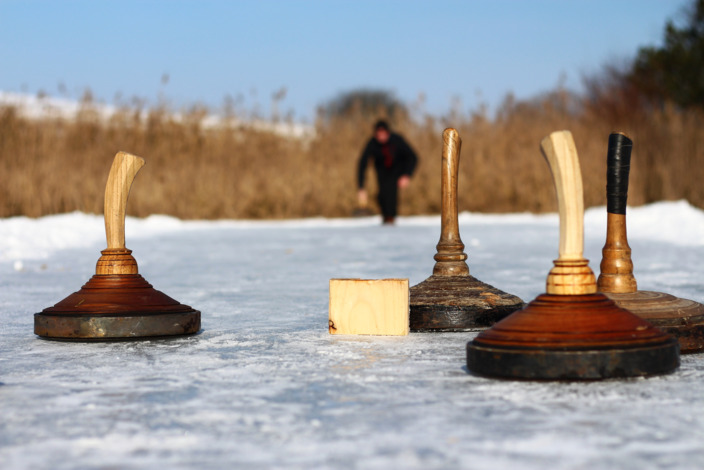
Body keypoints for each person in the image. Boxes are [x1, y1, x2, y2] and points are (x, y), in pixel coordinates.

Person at [357, 120, 418, 224]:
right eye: (378, 134)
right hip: (381, 173)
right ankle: (386, 219)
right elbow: (362, 164)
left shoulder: (397, 140)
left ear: (388, 133)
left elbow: (412, 157)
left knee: (391, 195)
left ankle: (390, 219)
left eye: (383, 134)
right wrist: (361, 187)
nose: (381, 137)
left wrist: (407, 175)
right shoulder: (372, 143)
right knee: (381, 196)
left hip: (397, 171)